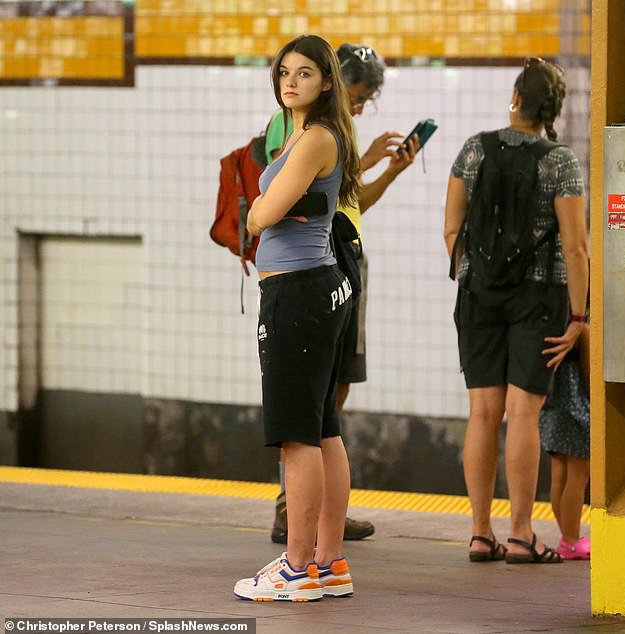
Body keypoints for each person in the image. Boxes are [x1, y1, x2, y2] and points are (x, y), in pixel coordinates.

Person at [264, 42, 418, 545]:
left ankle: (305, 548)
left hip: (318, 271)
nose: (360, 104)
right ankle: (313, 532)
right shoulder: (296, 129)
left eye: (367, 98)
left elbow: (299, 208)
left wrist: (385, 168)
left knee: (315, 415)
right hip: (319, 269)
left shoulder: (323, 134)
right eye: (359, 92)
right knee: (318, 415)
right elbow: (282, 201)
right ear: (336, 80)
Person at [443, 57, 588, 563]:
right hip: (539, 297)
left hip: (478, 296)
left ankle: (481, 533)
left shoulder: (473, 151)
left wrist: (474, 277)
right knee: (523, 413)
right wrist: (579, 318)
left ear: (515, 99)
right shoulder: (561, 162)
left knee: (483, 413)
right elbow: (576, 249)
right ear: (553, 109)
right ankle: (523, 533)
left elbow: (450, 231)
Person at [233, 34, 361, 602]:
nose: (291, 81)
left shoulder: (314, 139)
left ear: (327, 81)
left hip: (298, 295)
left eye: (305, 73)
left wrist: (260, 211)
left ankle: (297, 566)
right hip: (319, 288)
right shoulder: (314, 136)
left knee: (295, 438)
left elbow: (264, 211)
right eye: (285, 71)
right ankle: (329, 563)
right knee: (322, 429)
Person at [540, 321, 590, 560]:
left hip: (552, 402)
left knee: (559, 473)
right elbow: (591, 371)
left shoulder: (552, 317)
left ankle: (566, 537)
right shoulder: (582, 326)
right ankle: (571, 539)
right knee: (578, 476)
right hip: (577, 405)